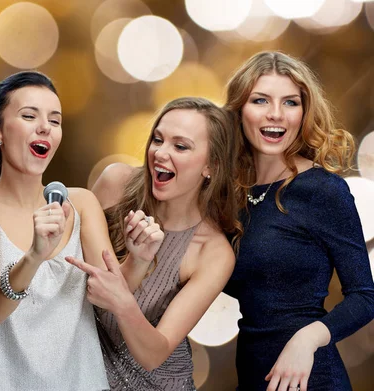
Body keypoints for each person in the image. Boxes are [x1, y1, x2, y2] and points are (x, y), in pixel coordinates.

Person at [0, 71, 163, 391]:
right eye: (29, 115)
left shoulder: (82, 203)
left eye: (55, 119)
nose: (45, 127)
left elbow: (109, 298)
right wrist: (35, 255)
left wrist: (140, 259)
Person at [224, 51, 374, 391]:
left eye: (290, 102)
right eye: (260, 100)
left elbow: (365, 297)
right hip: (251, 377)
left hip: (312, 377)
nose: (276, 114)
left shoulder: (323, 190)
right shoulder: (230, 195)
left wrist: (307, 339)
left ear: (304, 113)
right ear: (239, 111)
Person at [66, 97, 239, 391]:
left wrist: (123, 301)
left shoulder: (213, 253)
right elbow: (72, 285)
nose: (160, 153)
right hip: (81, 373)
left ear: (211, 166)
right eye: (157, 140)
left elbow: (154, 354)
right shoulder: (115, 185)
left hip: (155, 383)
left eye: (180, 146)